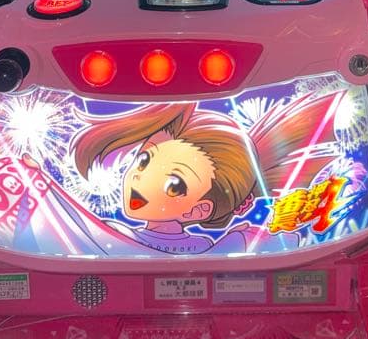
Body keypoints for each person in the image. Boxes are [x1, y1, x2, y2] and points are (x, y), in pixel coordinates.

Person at [73, 92, 346, 255]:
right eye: (143, 160)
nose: (139, 178)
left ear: (199, 210)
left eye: (174, 184)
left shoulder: (111, 234)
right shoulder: (206, 244)